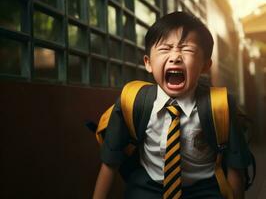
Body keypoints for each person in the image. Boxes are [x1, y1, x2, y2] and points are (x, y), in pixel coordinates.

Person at [93, 11, 251, 199]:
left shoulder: (220, 105)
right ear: (148, 63)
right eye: (165, 49)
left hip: (204, 190)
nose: (175, 56)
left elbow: (236, 167)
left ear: (205, 65)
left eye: (187, 50)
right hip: (148, 187)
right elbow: (110, 162)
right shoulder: (132, 100)